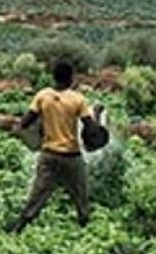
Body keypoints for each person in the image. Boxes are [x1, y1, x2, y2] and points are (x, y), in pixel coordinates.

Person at [8, 61, 102, 232]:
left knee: (38, 194)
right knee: (80, 194)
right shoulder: (78, 99)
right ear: (71, 78)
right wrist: (97, 116)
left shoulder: (43, 96)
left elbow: (26, 122)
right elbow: (90, 128)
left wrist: (20, 133)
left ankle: (19, 227)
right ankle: (85, 227)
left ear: (53, 77)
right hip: (71, 156)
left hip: (48, 154)